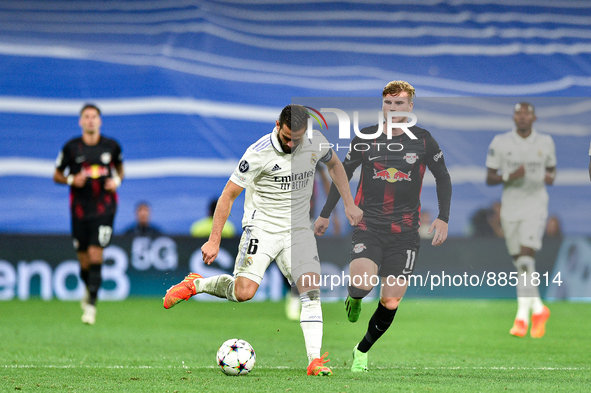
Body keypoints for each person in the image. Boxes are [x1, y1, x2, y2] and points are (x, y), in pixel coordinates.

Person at [163, 105, 363, 376]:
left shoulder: (314, 141)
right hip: (261, 228)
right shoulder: (257, 153)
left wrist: (348, 205)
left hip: (297, 229)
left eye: (298, 138)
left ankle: (314, 360)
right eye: (288, 137)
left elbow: (335, 166)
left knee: (310, 291)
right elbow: (227, 196)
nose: (292, 144)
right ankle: (196, 284)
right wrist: (214, 239)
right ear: (278, 125)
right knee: (244, 292)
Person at [315, 80, 452, 372]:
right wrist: (327, 213)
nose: (392, 109)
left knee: (390, 301)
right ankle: (354, 299)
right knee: (362, 285)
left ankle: (361, 350)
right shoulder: (365, 138)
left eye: (399, 104)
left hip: (406, 233)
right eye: (388, 103)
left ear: (410, 107)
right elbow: (342, 175)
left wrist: (444, 216)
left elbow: (443, 177)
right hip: (369, 226)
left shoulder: (424, 140)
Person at [486, 102, 555, 338]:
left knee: (526, 260)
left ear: (534, 118)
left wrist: (548, 176)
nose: (522, 117)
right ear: (514, 118)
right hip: (510, 207)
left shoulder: (545, 142)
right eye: (519, 114)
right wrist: (510, 175)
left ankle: (521, 317)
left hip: (535, 206)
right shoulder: (501, 142)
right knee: (521, 264)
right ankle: (538, 308)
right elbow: (490, 177)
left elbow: (552, 171)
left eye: (527, 114)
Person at [53, 103, 124, 325]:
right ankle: (88, 288)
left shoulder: (111, 146)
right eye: (87, 117)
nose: (91, 120)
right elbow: (56, 174)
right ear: (81, 121)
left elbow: (120, 168)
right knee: (84, 260)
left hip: (105, 208)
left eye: (94, 116)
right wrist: (72, 179)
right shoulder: (71, 148)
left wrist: (117, 181)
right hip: (79, 210)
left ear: (100, 121)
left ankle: (91, 306)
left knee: (96, 254)